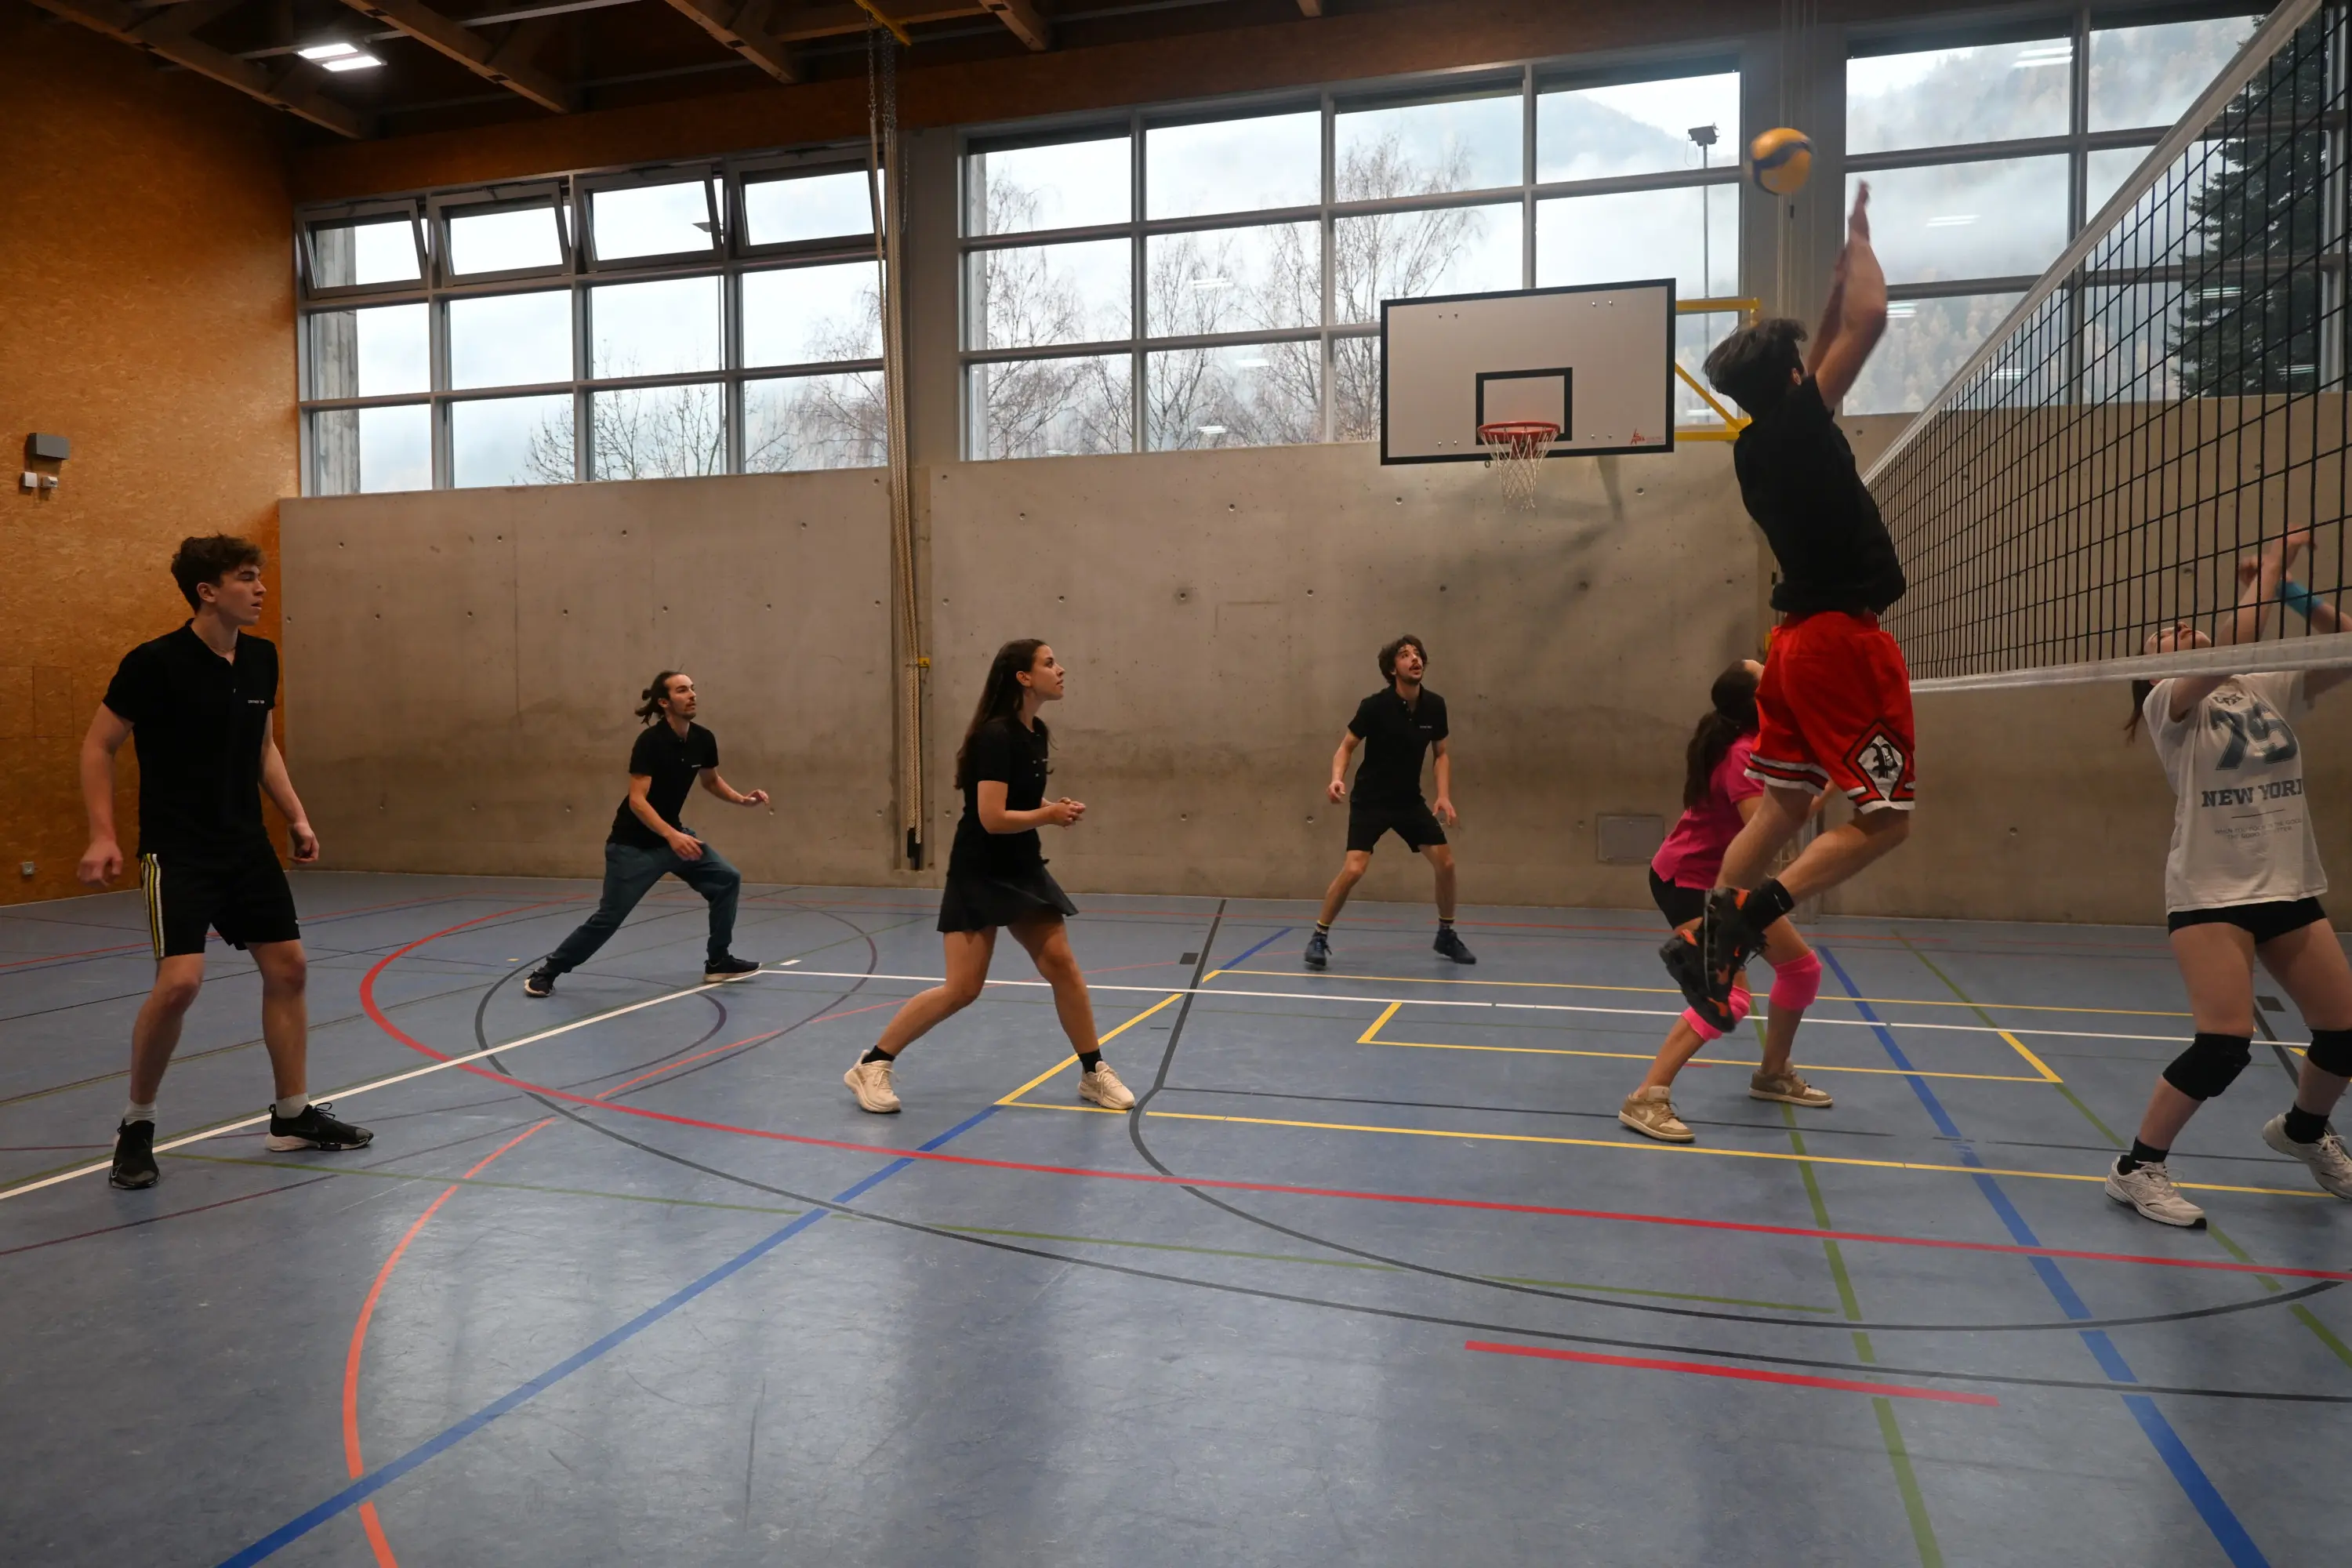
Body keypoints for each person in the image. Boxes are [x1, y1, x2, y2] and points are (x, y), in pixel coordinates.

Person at [1661, 183, 1911, 1030]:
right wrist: (1864, 239)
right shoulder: (1803, 426)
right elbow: (1870, 322)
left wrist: (1835, 285)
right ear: (1798, 378)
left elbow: (1839, 328)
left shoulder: (1756, 442)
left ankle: (1707, 937)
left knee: (1785, 806)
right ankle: (1742, 917)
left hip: (1796, 644)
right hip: (1843, 644)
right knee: (1884, 823)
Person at [78, 535, 372, 1190]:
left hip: (245, 846)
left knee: (289, 968)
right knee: (180, 983)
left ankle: (292, 1116)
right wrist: (102, 834)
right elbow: (99, 746)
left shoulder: (261, 658)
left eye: (260, 577)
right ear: (208, 591)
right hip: (177, 850)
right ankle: (137, 1125)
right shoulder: (153, 663)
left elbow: (263, 745)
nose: (261, 588)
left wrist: (295, 816)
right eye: (246, 577)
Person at [2104, 530, 2352, 1225]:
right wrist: (2270, 568)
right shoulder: (2171, 706)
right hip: (2213, 895)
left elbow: (2345, 649)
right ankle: (2137, 1167)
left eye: (2183, 624)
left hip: (2288, 886)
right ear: (2153, 672)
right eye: (2163, 635)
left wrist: (2289, 589)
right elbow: (2222, 653)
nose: (2177, 629)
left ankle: (2303, 1131)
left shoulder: (2264, 688)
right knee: (2224, 1044)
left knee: (2345, 1034)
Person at [844, 640, 1134, 1116]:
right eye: (1048, 663)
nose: (1060, 670)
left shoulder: (1035, 731)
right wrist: (1049, 816)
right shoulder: (995, 736)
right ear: (1022, 677)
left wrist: (1048, 808)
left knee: (1061, 964)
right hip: (981, 869)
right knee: (962, 989)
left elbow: (1014, 807)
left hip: (1022, 866)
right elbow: (991, 818)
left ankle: (1093, 1072)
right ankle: (872, 1064)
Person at [1621, 660, 1831, 1142]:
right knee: (1730, 997)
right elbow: (1771, 830)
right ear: (1758, 703)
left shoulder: (1756, 744)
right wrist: (1835, 782)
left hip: (1727, 880)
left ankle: (1772, 1073)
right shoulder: (1740, 755)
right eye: (1766, 676)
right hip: (1691, 882)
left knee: (1801, 970)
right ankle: (1646, 1096)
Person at [524, 672, 767, 997]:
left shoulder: (703, 739)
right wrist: (672, 836)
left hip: (673, 837)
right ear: (665, 702)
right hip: (633, 846)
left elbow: (710, 781)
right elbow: (638, 801)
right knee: (608, 919)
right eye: (683, 690)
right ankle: (547, 972)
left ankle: (718, 961)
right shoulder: (650, 742)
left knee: (727, 879)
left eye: (693, 689)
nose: (692, 695)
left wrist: (742, 800)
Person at [1303, 634, 1475, 970]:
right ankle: (1319, 937)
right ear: (1392, 668)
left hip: (1409, 800)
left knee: (1447, 864)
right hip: (1371, 800)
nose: (1414, 659)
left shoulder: (1434, 706)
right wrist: (1337, 778)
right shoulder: (1374, 706)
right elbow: (1346, 747)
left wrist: (1443, 795)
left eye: (1418, 654)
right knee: (1354, 869)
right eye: (1404, 655)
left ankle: (1446, 934)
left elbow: (1441, 755)